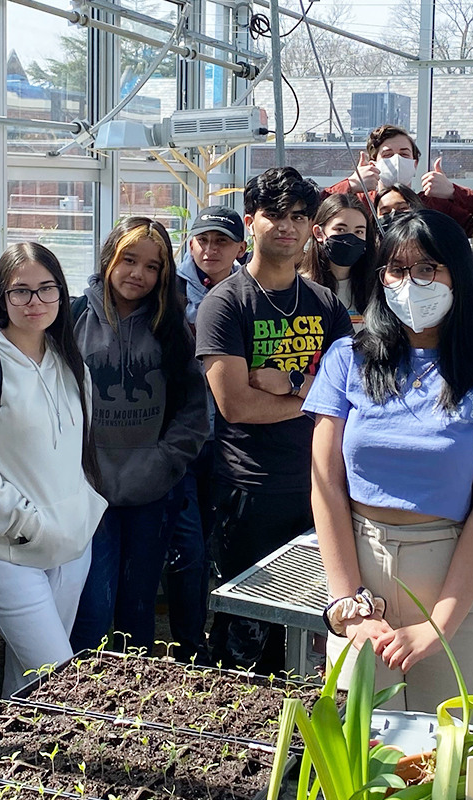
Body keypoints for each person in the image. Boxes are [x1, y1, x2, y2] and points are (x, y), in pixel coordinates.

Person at [303, 211, 473, 712]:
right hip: (361, 568)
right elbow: (326, 484)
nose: (410, 284)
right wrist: (350, 604)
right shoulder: (348, 358)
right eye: (395, 270)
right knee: (363, 752)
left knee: (445, 755)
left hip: (453, 573)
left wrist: (439, 624)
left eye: (427, 269)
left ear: (459, 274)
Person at [196, 166, 353, 672]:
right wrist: (306, 392)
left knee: (317, 630)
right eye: (275, 216)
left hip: (317, 487)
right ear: (251, 223)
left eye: (299, 216)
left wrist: (280, 385)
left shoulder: (324, 303)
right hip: (248, 493)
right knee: (243, 639)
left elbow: (343, 393)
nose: (287, 226)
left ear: (311, 227)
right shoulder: (225, 304)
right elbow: (235, 405)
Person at [0, 243, 107, 696]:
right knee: (57, 679)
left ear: (62, 295)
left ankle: (10, 766)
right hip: (9, 553)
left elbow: (82, 449)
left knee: (28, 684)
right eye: (21, 292)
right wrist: (28, 525)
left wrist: (83, 511)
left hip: (72, 547)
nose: (35, 302)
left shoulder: (69, 362)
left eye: (46, 289)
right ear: (1, 298)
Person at [70, 217, 209, 654]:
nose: (139, 275)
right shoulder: (72, 318)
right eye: (129, 260)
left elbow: (193, 409)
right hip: (89, 493)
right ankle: (83, 702)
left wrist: (165, 461)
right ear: (109, 257)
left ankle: (135, 710)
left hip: (152, 492)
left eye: (153, 267)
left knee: (138, 609)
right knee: (92, 609)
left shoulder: (171, 327)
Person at [165, 207, 248, 664]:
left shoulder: (248, 291)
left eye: (221, 241)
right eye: (202, 240)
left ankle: (227, 639)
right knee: (188, 546)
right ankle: (189, 644)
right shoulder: (169, 290)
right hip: (183, 439)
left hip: (234, 439)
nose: (210, 250)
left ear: (240, 246)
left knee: (226, 542)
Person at [324, 124, 473, 235]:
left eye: (404, 154)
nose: (397, 160)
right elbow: (308, 211)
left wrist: (455, 193)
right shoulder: (357, 202)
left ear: (415, 163)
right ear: (373, 164)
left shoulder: (433, 204)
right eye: (387, 155)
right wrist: (349, 185)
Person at [299, 193, 378, 332]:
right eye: (340, 229)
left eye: (359, 231)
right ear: (319, 233)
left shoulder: (376, 287)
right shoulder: (300, 286)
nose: (350, 238)